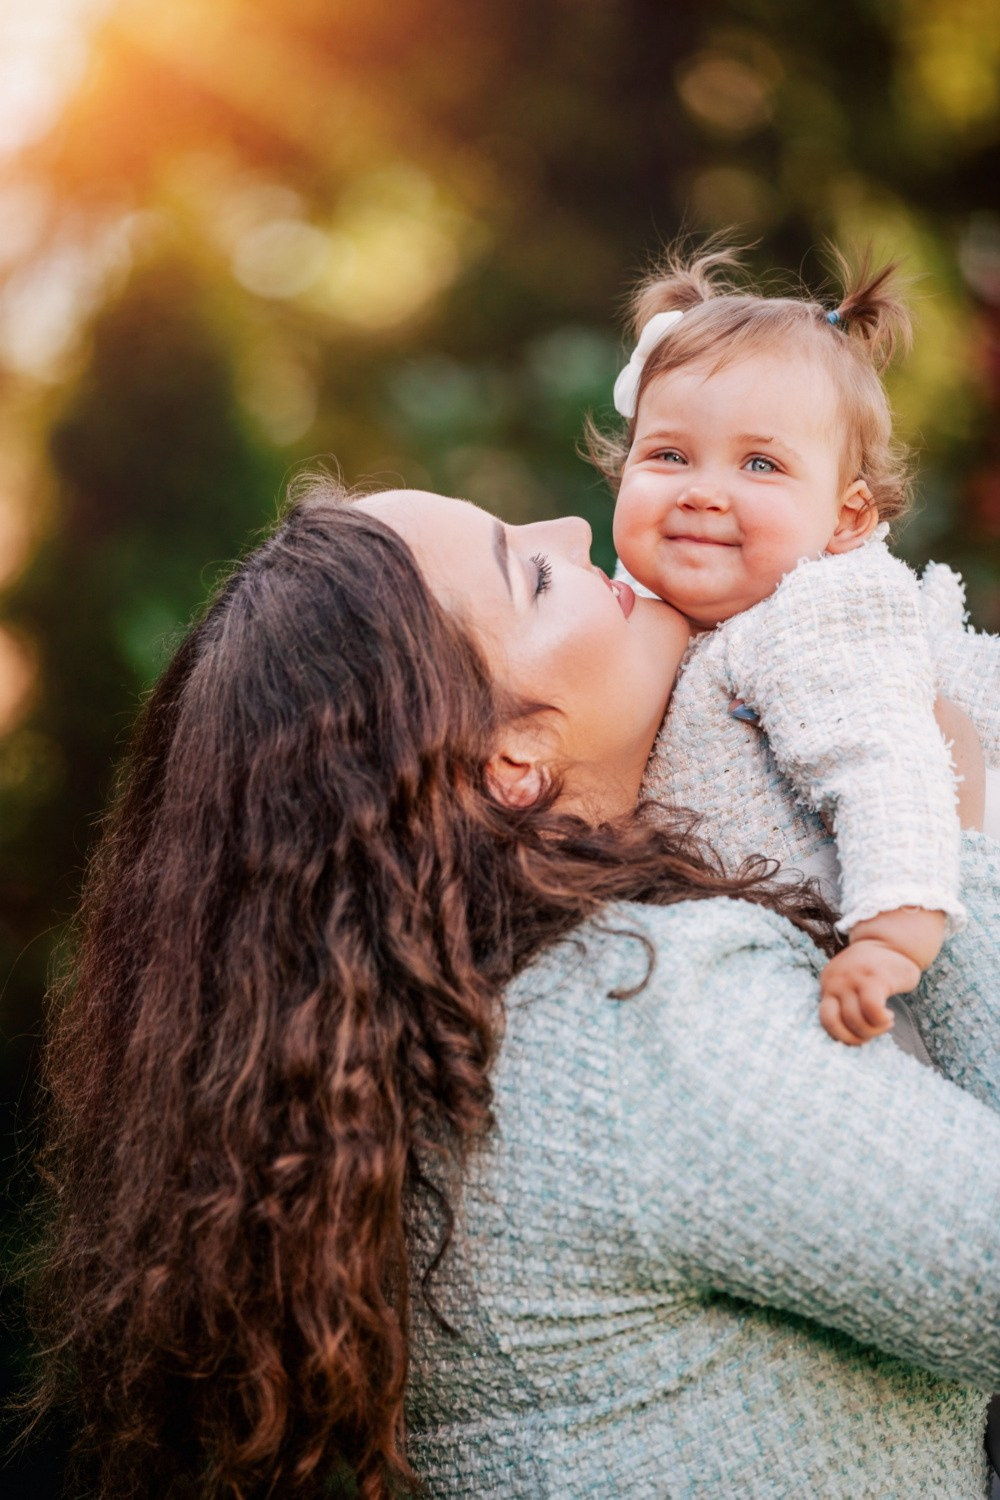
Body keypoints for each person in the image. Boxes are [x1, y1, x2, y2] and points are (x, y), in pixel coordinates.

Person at [29, 480, 1000, 1499]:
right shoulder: (640, 1015)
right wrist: (953, 834)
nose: (577, 529)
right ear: (510, 759)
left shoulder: (417, 1059)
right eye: (532, 575)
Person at [604, 247, 1000, 1045]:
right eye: (668, 455)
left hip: (896, 931)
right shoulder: (651, 612)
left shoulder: (814, 614)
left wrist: (893, 932)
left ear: (846, 521)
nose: (703, 490)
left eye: (760, 463)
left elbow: (887, 761)